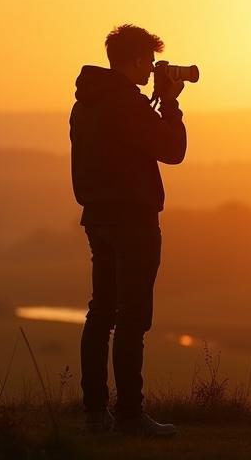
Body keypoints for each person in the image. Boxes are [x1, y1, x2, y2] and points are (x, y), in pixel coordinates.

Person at [68, 24, 187, 437]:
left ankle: (94, 413)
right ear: (135, 60)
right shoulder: (126, 104)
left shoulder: (87, 102)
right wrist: (169, 104)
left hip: (98, 217)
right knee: (132, 318)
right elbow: (173, 150)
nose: (152, 70)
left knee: (100, 312)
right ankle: (131, 416)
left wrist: (154, 102)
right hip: (134, 219)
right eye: (150, 62)